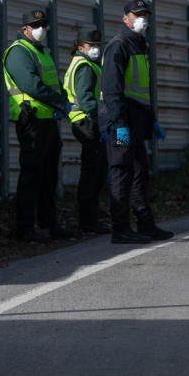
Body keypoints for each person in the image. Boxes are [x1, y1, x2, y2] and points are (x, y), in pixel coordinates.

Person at [99, 0, 173, 244]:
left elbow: (142, 90)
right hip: (122, 119)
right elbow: (111, 89)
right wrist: (119, 123)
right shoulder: (119, 46)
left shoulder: (140, 44)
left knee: (141, 172)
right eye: (136, 14)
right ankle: (120, 229)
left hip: (137, 119)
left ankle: (145, 224)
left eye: (145, 14)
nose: (142, 19)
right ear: (125, 18)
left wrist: (151, 119)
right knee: (121, 172)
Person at [2, 9, 72, 242]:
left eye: (43, 24)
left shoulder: (43, 52)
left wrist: (62, 100)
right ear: (25, 30)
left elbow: (54, 83)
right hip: (32, 121)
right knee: (32, 174)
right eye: (36, 25)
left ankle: (48, 222)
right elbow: (31, 85)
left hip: (49, 120)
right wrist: (59, 100)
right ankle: (25, 228)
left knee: (49, 175)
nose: (41, 28)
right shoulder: (19, 52)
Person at [64, 28, 112, 234]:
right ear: (81, 46)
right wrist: (102, 121)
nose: (95, 50)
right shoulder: (84, 66)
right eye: (91, 46)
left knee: (96, 171)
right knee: (92, 173)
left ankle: (91, 217)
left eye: (98, 47)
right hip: (87, 123)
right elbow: (85, 100)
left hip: (88, 122)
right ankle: (88, 220)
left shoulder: (87, 64)